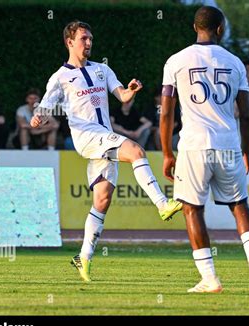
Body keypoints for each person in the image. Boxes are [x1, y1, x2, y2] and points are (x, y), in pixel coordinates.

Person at [30, 20, 182, 282]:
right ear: (69, 42)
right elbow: (44, 107)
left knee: (102, 200)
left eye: (90, 39)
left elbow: (121, 96)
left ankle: (83, 257)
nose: (88, 43)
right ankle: (162, 204)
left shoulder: (102, 69)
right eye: (83, 39)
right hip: (87, 137)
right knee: (136, 150)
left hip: (105, 136)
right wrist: (38, 117)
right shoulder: (60, 77)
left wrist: (131, 90)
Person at [160, 6, 249, 293]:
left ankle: (210, 279)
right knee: (240, 205)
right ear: (220, 29)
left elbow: (166, 113)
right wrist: (246, 150)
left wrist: (166, 153)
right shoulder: (235, 63)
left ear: (194, 27)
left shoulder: (175, 61)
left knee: (192, 209)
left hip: (194, 146)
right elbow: (246, 114)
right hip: (228, 144)